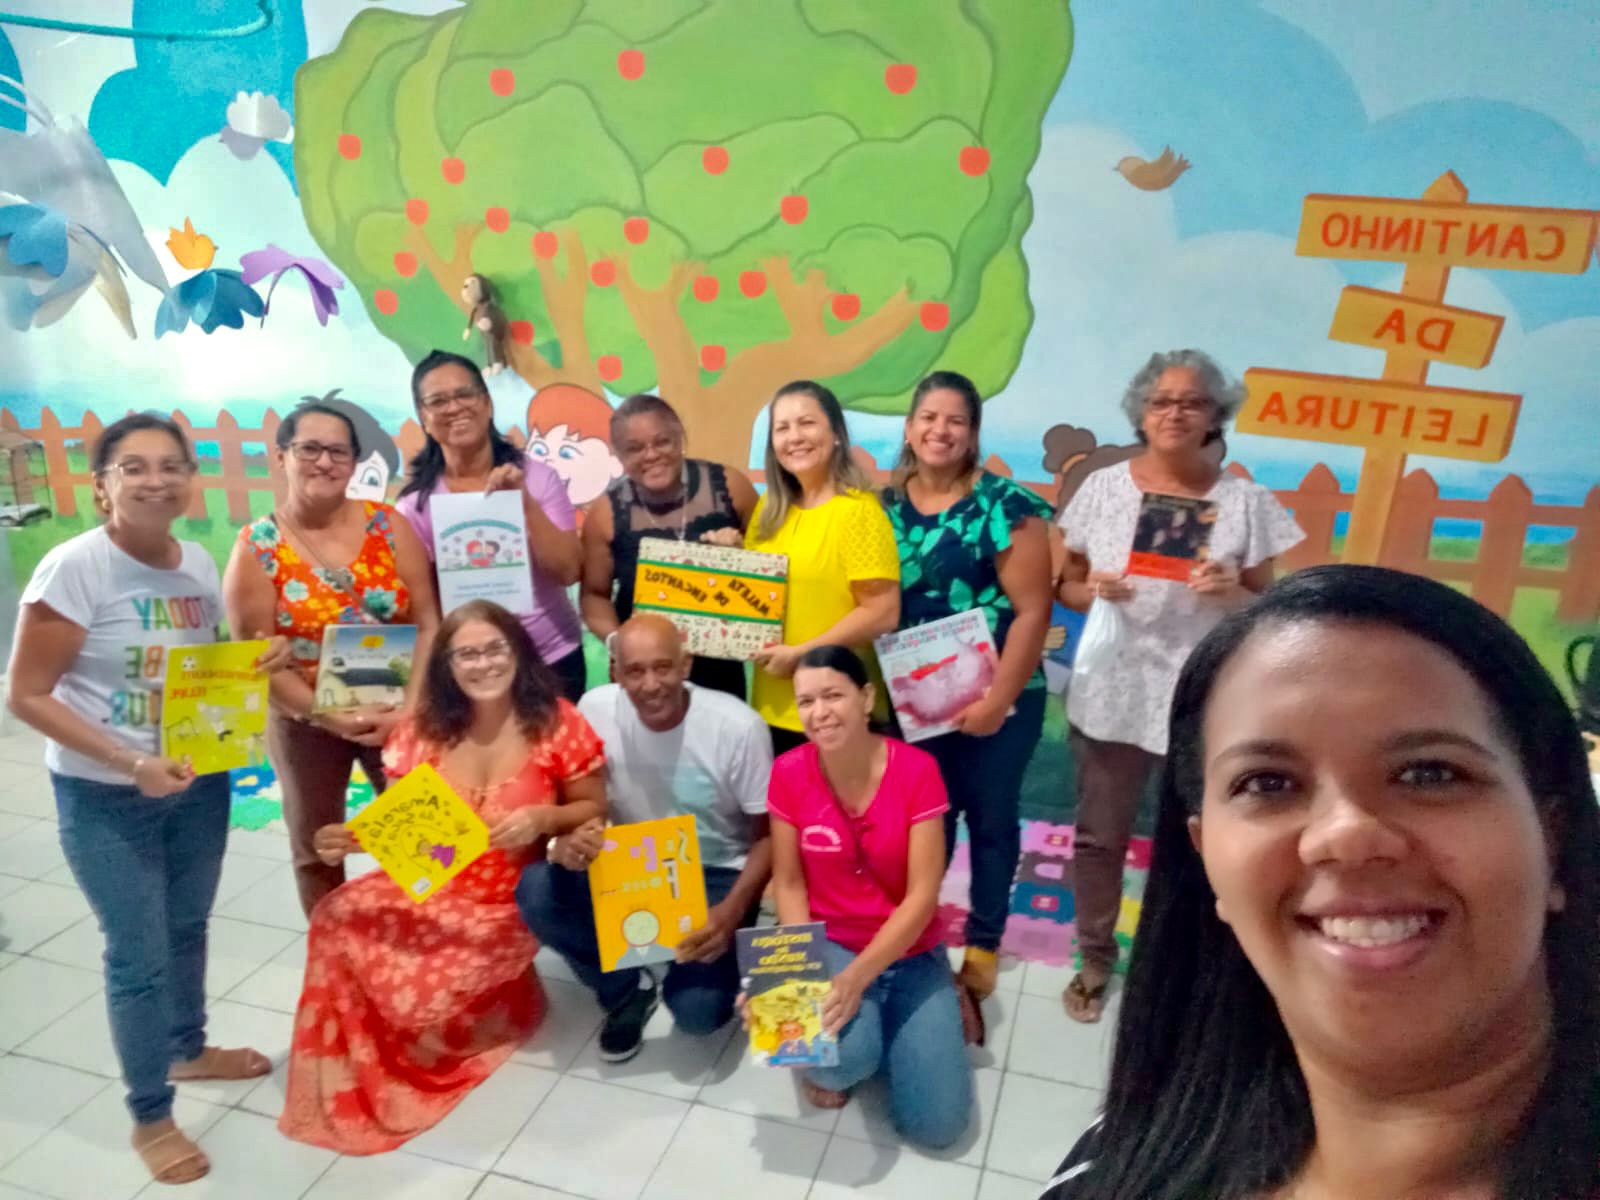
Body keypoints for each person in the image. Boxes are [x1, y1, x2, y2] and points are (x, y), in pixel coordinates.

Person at [1041, 565, 1600, 1200]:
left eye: (1429, 773)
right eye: (1268, 783)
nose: (1346, 835)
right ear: (1205, 857)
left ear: (1551, 837)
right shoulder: (1119, 1161)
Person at [6, 414, 292, 1186]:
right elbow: (25, 694)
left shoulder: (195, 561)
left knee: (188, 926)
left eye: (171, 465)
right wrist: (129, 762)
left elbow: (200, 668)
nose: (156, 479)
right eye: (133, 467)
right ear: (103, 485)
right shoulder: (74, 569)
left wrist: (257, 658)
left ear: (190, 480)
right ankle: (150, 1114)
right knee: (136, 954)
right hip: (106, 796)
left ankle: (186, 1048)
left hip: (197, 784)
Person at [279, 600, 606, 1154]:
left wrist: (542, 818)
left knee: (418, 995)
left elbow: (593, 807)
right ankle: (361, 1063)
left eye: (495, 649)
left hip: (511, 899)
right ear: (446, 665)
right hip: (436, 883)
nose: (483, 664)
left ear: (518, 652)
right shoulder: (422, 729)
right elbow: (412, 834)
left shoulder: (557, 721)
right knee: (335, 915)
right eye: (467, 654)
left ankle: (486, 1014)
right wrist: (355, 837)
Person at [1055, 349, 1302, 1022]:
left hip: (1200, 697)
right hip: (1113, 690)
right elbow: (1067, 585)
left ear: (1215, 416)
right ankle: (1095, 956)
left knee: (1198, 841)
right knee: (1099, 837)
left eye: (1192, 402)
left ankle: (1179, 965)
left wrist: (1230, 592)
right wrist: (1092, 590)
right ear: (1140, 412)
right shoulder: (1103, 489)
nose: (1174, 413)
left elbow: (1267, 607)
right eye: (1161, 401)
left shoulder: (1243, 502)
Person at [516, 614, 773, 1061]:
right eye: (635, 671)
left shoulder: (738, 727)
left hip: (713, 872)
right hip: (631, 864)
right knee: (537, 890)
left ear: (686, 664)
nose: (651, 685)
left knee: (698, 1014)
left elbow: (768, 839)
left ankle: (691, 955)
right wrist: (572, 839)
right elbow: (583, 798)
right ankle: (625, 988)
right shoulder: (595, 709)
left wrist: (732, 912)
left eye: (663, 667)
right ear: (615, 672)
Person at [224, 399, 440, 917]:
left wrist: (410, 707)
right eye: (310, 449)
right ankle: (334, 949)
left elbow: (429, 622)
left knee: (423, 836)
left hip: (398, 708)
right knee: (317, 844)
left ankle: (430, 943)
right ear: (282, 457)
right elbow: (256, 658)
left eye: (338, 452)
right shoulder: (258, 546)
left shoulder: (388, 525)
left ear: (353, 461)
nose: (324, 462)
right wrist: (330, 717)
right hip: (305, 719)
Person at [881, 370, 1054, 1000]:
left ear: (974, 433)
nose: (940, 430)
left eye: (955, 420)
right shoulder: (881, 507)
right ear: (909, 428)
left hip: (999, 700)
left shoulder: (1006, 506)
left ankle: (983, 940)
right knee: (925, 819)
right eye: (929, 417)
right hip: (915, 701)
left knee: (990, 818)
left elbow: (1034, 610)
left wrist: (997, 701)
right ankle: (917, 929)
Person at [762, 645, 973, 1149]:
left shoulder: (917, 770)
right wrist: (787, 976)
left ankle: (916, 1012)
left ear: (866, 697)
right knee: (834, 1063)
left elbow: (922, 896)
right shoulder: (788, 771)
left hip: (910, 950)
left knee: (938, 1127)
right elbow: (788, 884)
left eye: (833, 696)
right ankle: (867, 1041)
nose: (819, 712)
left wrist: (857, 980)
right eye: (806, 701)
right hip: (830, 944)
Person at [395, 350, 587, 701]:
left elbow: (569, 571)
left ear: (487, 403)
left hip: (551, 657)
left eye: (464, 394)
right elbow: (425, 611)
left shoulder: (538, 478)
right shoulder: (414, 508)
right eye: (438, 401)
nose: (454, 408)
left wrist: (524, 502)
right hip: (470, 670)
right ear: (423, 417)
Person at [744, 381, 901, 756]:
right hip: (772, 707)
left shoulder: (859, 511)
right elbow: (753, 594)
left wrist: (801, 654)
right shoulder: (768, 511)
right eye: (782, 428)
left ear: (836, 434)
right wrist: (726, 554)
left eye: (807, 423)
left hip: (837, 710)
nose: (794, 437)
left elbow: (882, 612)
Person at [579, 393, 759, 700]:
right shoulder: (605, 514)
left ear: (680, 438)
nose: (650, 455)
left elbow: (772, 569)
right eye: (635, 448)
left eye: (662, 442)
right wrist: (618, 642)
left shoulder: (730, 488)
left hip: (720, 669)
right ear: (618, 455)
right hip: (646, 676)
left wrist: (743, 556)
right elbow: (594, 595)